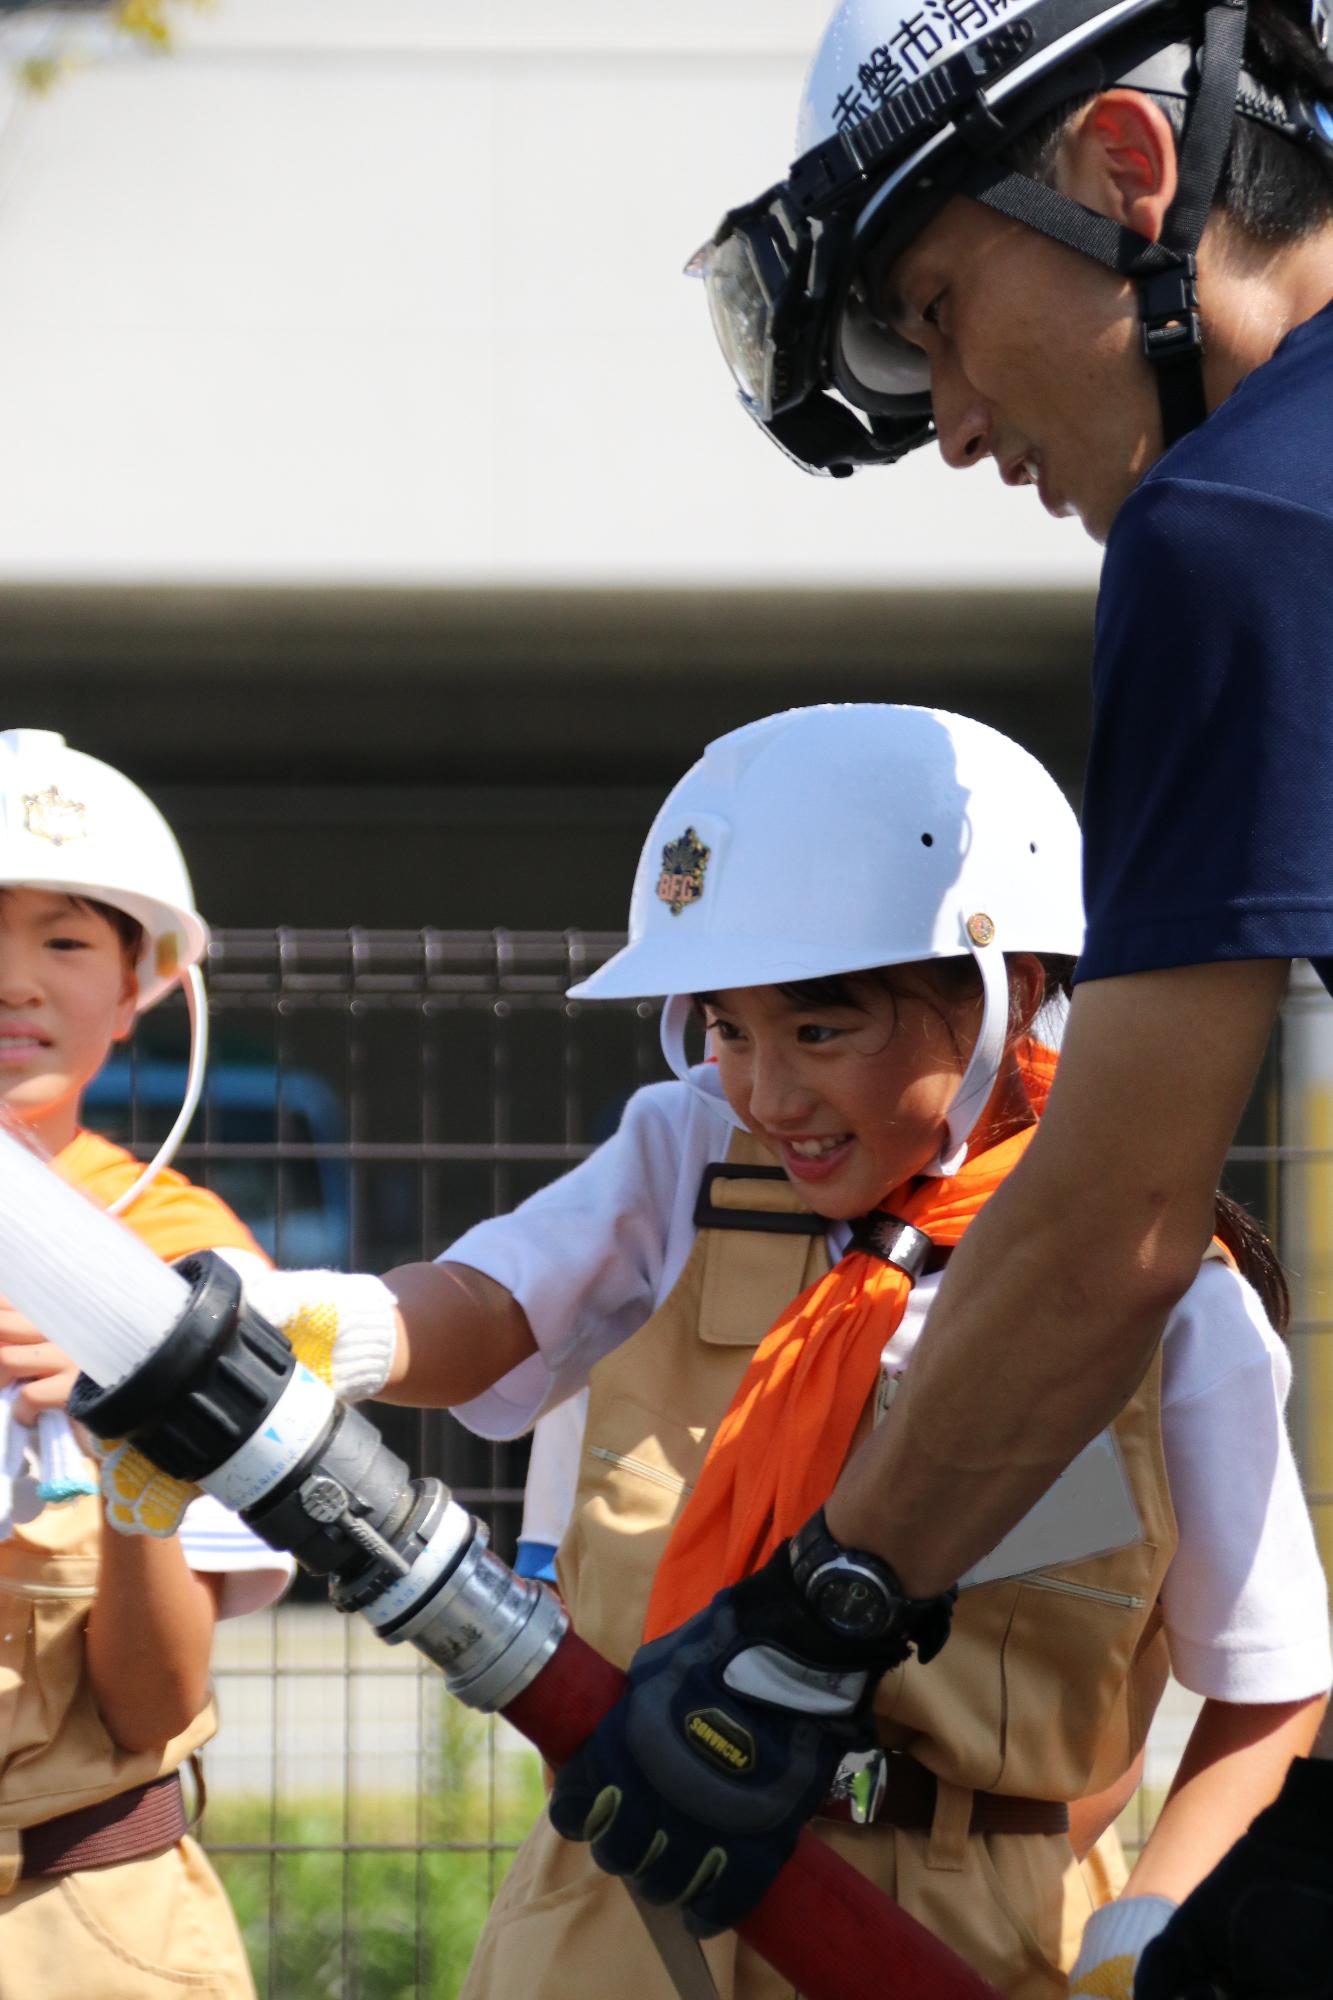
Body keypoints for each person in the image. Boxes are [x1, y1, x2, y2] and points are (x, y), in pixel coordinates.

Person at [230, 705, 1328, 1997]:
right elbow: (493, 1309)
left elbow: (1269, 1687)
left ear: (1007, 992)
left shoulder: (1161, 1293)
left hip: (944, 1929)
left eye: (818, 1029)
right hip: (621, 1888)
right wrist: (329, 1328)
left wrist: (1143, 1928)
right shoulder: (685, 1155)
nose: (764, 1092)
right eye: (725, 1027)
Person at [681, 0, 1333, 1986]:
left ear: (1128, 171)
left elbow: (1117, 1219)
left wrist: (808, 1619)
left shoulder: (1237, 527)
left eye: (940, 310)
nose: (948, 418)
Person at [0, 729, 293, 2000]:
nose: (17, 982)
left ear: (138, 991)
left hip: (90, 1924)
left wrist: (134, 1439)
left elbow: (152, 1700)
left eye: (65, 941)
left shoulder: (191, 1266)